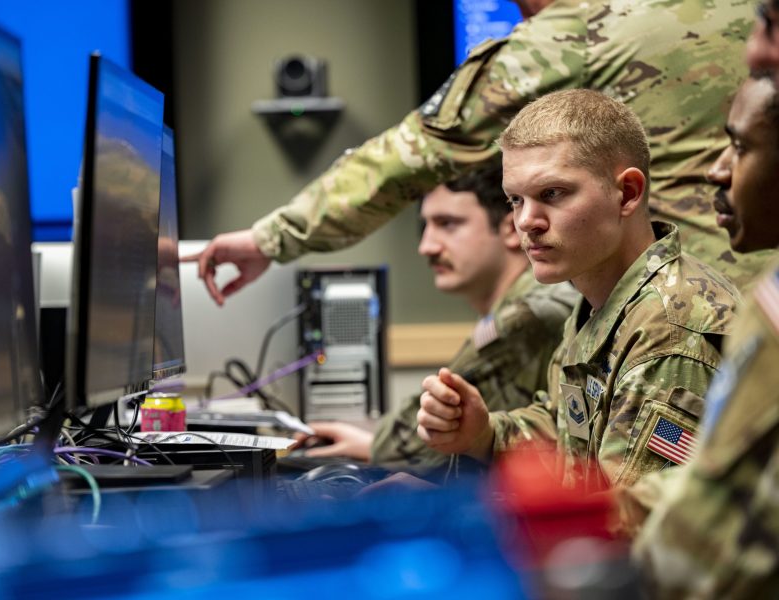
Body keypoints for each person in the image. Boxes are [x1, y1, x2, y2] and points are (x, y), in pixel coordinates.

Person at [185, 0, 769, 303]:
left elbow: (417, 152)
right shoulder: (752, 16)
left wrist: (269, 239)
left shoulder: (585, 27)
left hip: (682, 328)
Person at [416, 89, 739, 492]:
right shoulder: (603, 301)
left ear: (628, 193)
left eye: (552, 194)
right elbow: (566, 431)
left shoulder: (669, 333)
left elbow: (627, 526)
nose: (526, 222)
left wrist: (453, 518)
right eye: (515, 200)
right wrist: (484, 435)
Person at [297, 167, 578, 472]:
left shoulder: (528, 317)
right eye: (425, 227)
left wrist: (372, 445)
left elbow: (414, 446)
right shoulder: (523, 303)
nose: (426, 246)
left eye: (448, 224)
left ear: (511, 229)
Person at [631, 74, 779, 598]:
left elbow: (724, 525)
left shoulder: (680, 314)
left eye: (740, 147)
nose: (716, 170)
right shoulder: (767, 292)